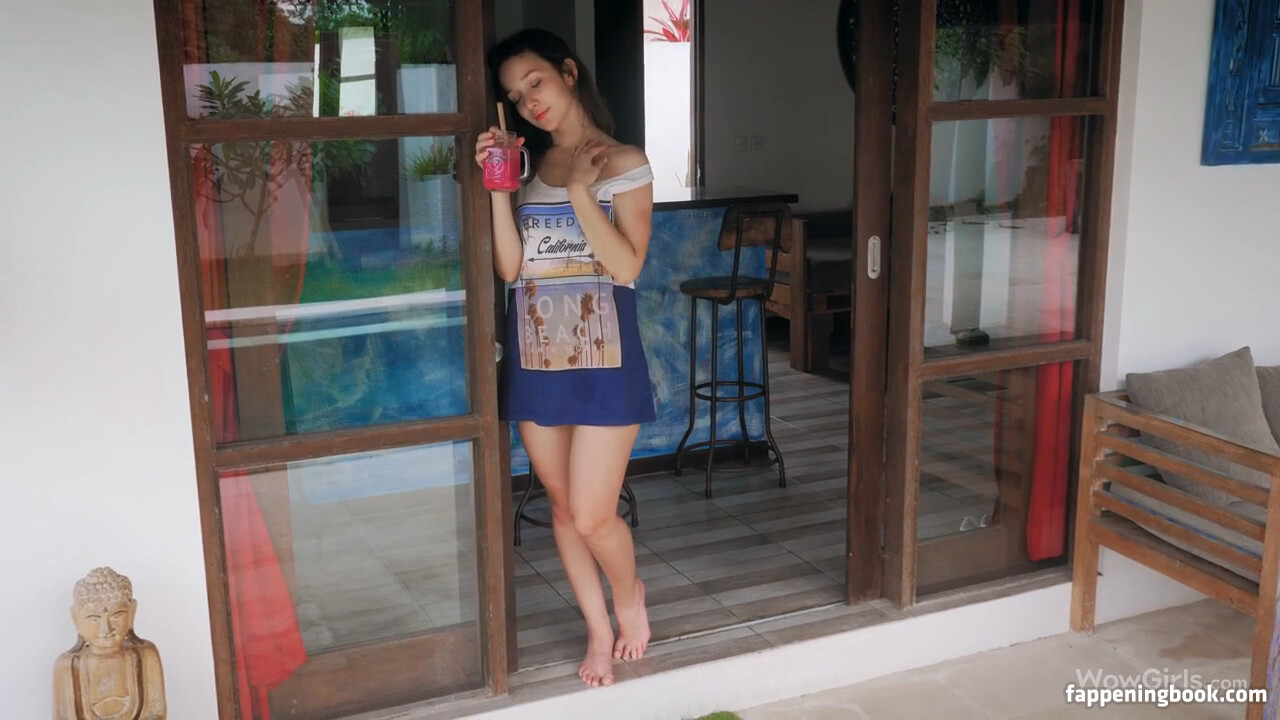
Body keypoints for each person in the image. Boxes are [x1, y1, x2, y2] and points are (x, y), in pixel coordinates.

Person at [477, 28, 655, 688]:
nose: (529, 100)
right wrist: (499, 187)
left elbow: (627, 266)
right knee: (560, 507)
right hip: (536, 359)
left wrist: (581, 190)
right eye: (515, 94)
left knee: (592, 513)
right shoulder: (527, 169)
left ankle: (629, 596)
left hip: (607, 363)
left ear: (569, 73)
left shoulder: (625, 161)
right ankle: (599, 632)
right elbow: (510, 268)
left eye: (536, 81)